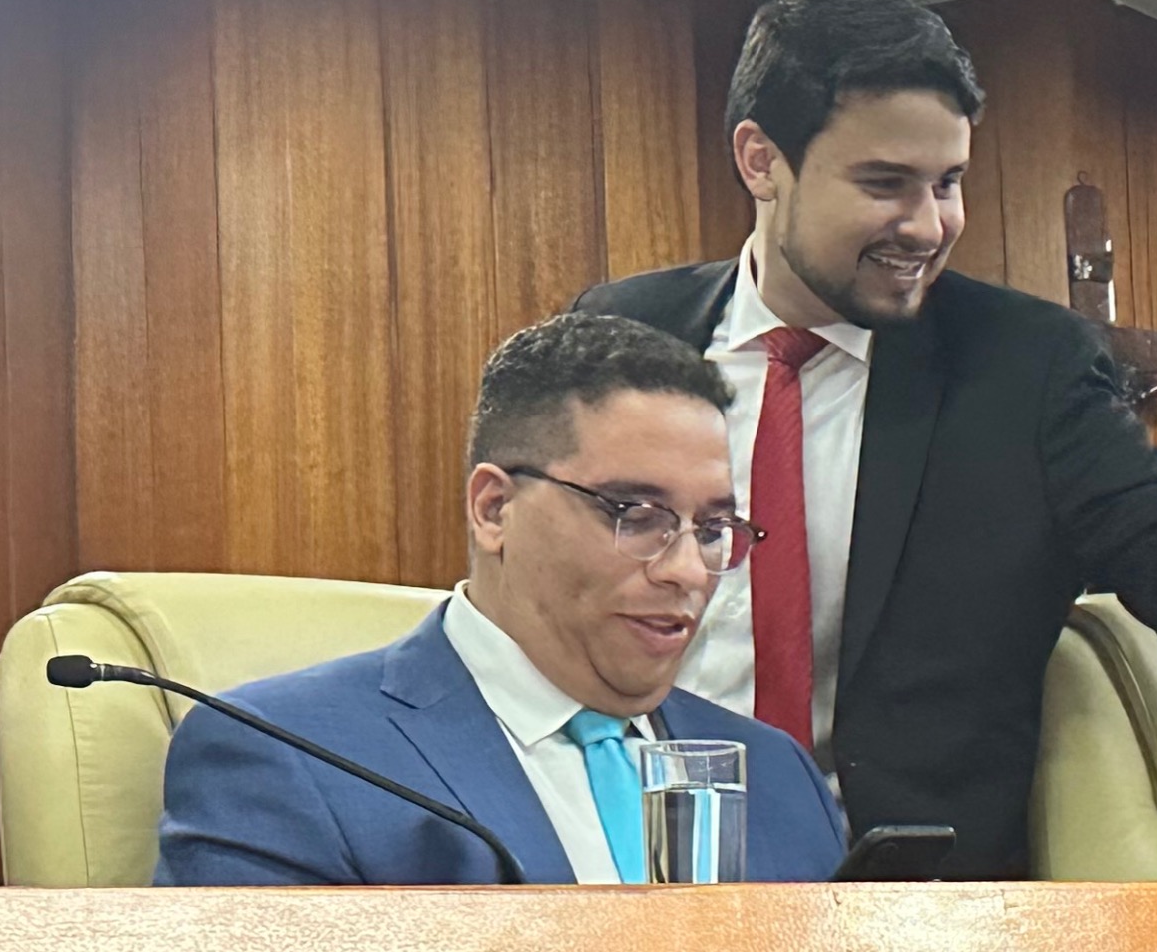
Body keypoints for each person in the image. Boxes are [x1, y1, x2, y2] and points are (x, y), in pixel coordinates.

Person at [578, 0, 1157, 877]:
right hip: (626, 868)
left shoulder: (1025, 368)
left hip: (908, 901)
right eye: (884, 183)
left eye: (947, 183)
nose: (929, 226)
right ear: (762, 161)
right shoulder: (619, 336)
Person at [157, 315, 844, 885]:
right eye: (637, 516)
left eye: (713, 529)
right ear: (494, 509)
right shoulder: (288, 757)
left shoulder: (777, 774)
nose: (688, 571)